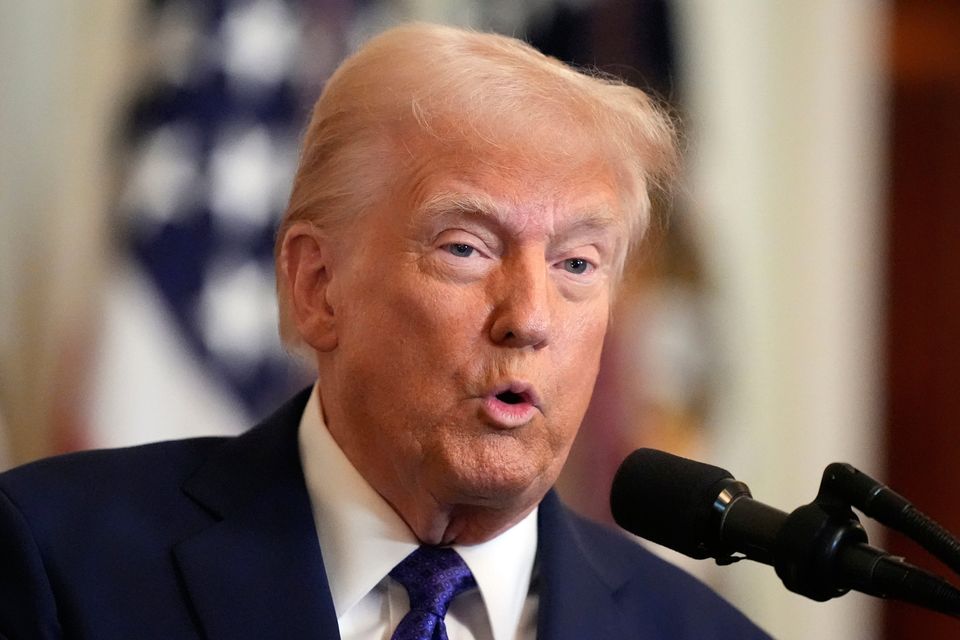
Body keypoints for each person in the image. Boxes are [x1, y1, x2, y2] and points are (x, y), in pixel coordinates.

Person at [0, 23, 769, 640]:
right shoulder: (58, 562)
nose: (530, 318)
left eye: (576, 263)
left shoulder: (701, 631)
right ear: (318, 286)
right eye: (466, 248)